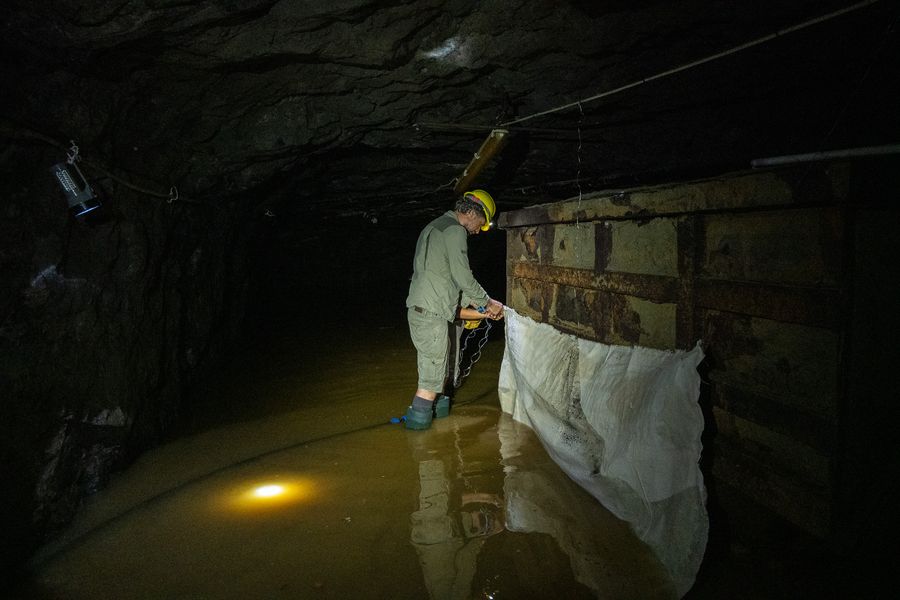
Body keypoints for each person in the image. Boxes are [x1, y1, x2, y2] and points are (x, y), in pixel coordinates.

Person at [404, 189, 504, 430]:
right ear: (473, 213)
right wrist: (487, 303)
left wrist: (481, 305)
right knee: (430, 382)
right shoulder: (455, 230)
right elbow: (463, 276)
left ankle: (442, 434)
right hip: (431, 316)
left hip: (427, 311)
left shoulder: (434, 226)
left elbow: (445, 278)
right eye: (482, 224)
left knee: (445, 372)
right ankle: (419, 441)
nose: (478, 231)